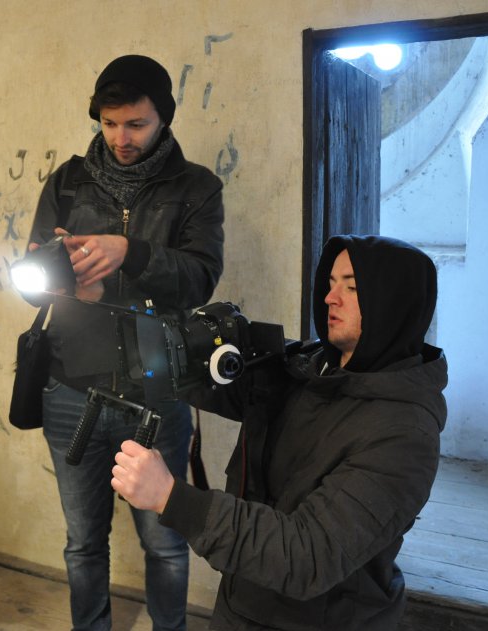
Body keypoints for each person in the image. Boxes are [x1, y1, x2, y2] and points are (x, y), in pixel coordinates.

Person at [111, 235, 447, 630]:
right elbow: (223, 383)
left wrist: (171, 498)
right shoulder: (308, 367)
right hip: (243, 600)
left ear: (393, 303)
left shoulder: (404, 436)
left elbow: (309, 557)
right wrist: (162, 353)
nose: (330, 298)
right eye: (331, 283)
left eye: (352, 288)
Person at [26, 54, 225, 630]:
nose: (121, 138)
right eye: (109, 124)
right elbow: (33, 282)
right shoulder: (67, 182)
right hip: (70, 389)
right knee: (83, 544)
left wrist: (130, 252)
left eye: (136, 124)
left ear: (163, 117)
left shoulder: (196, 188)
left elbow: (200, 279)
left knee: (165, 544)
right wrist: (65, 282)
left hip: (157, 394)